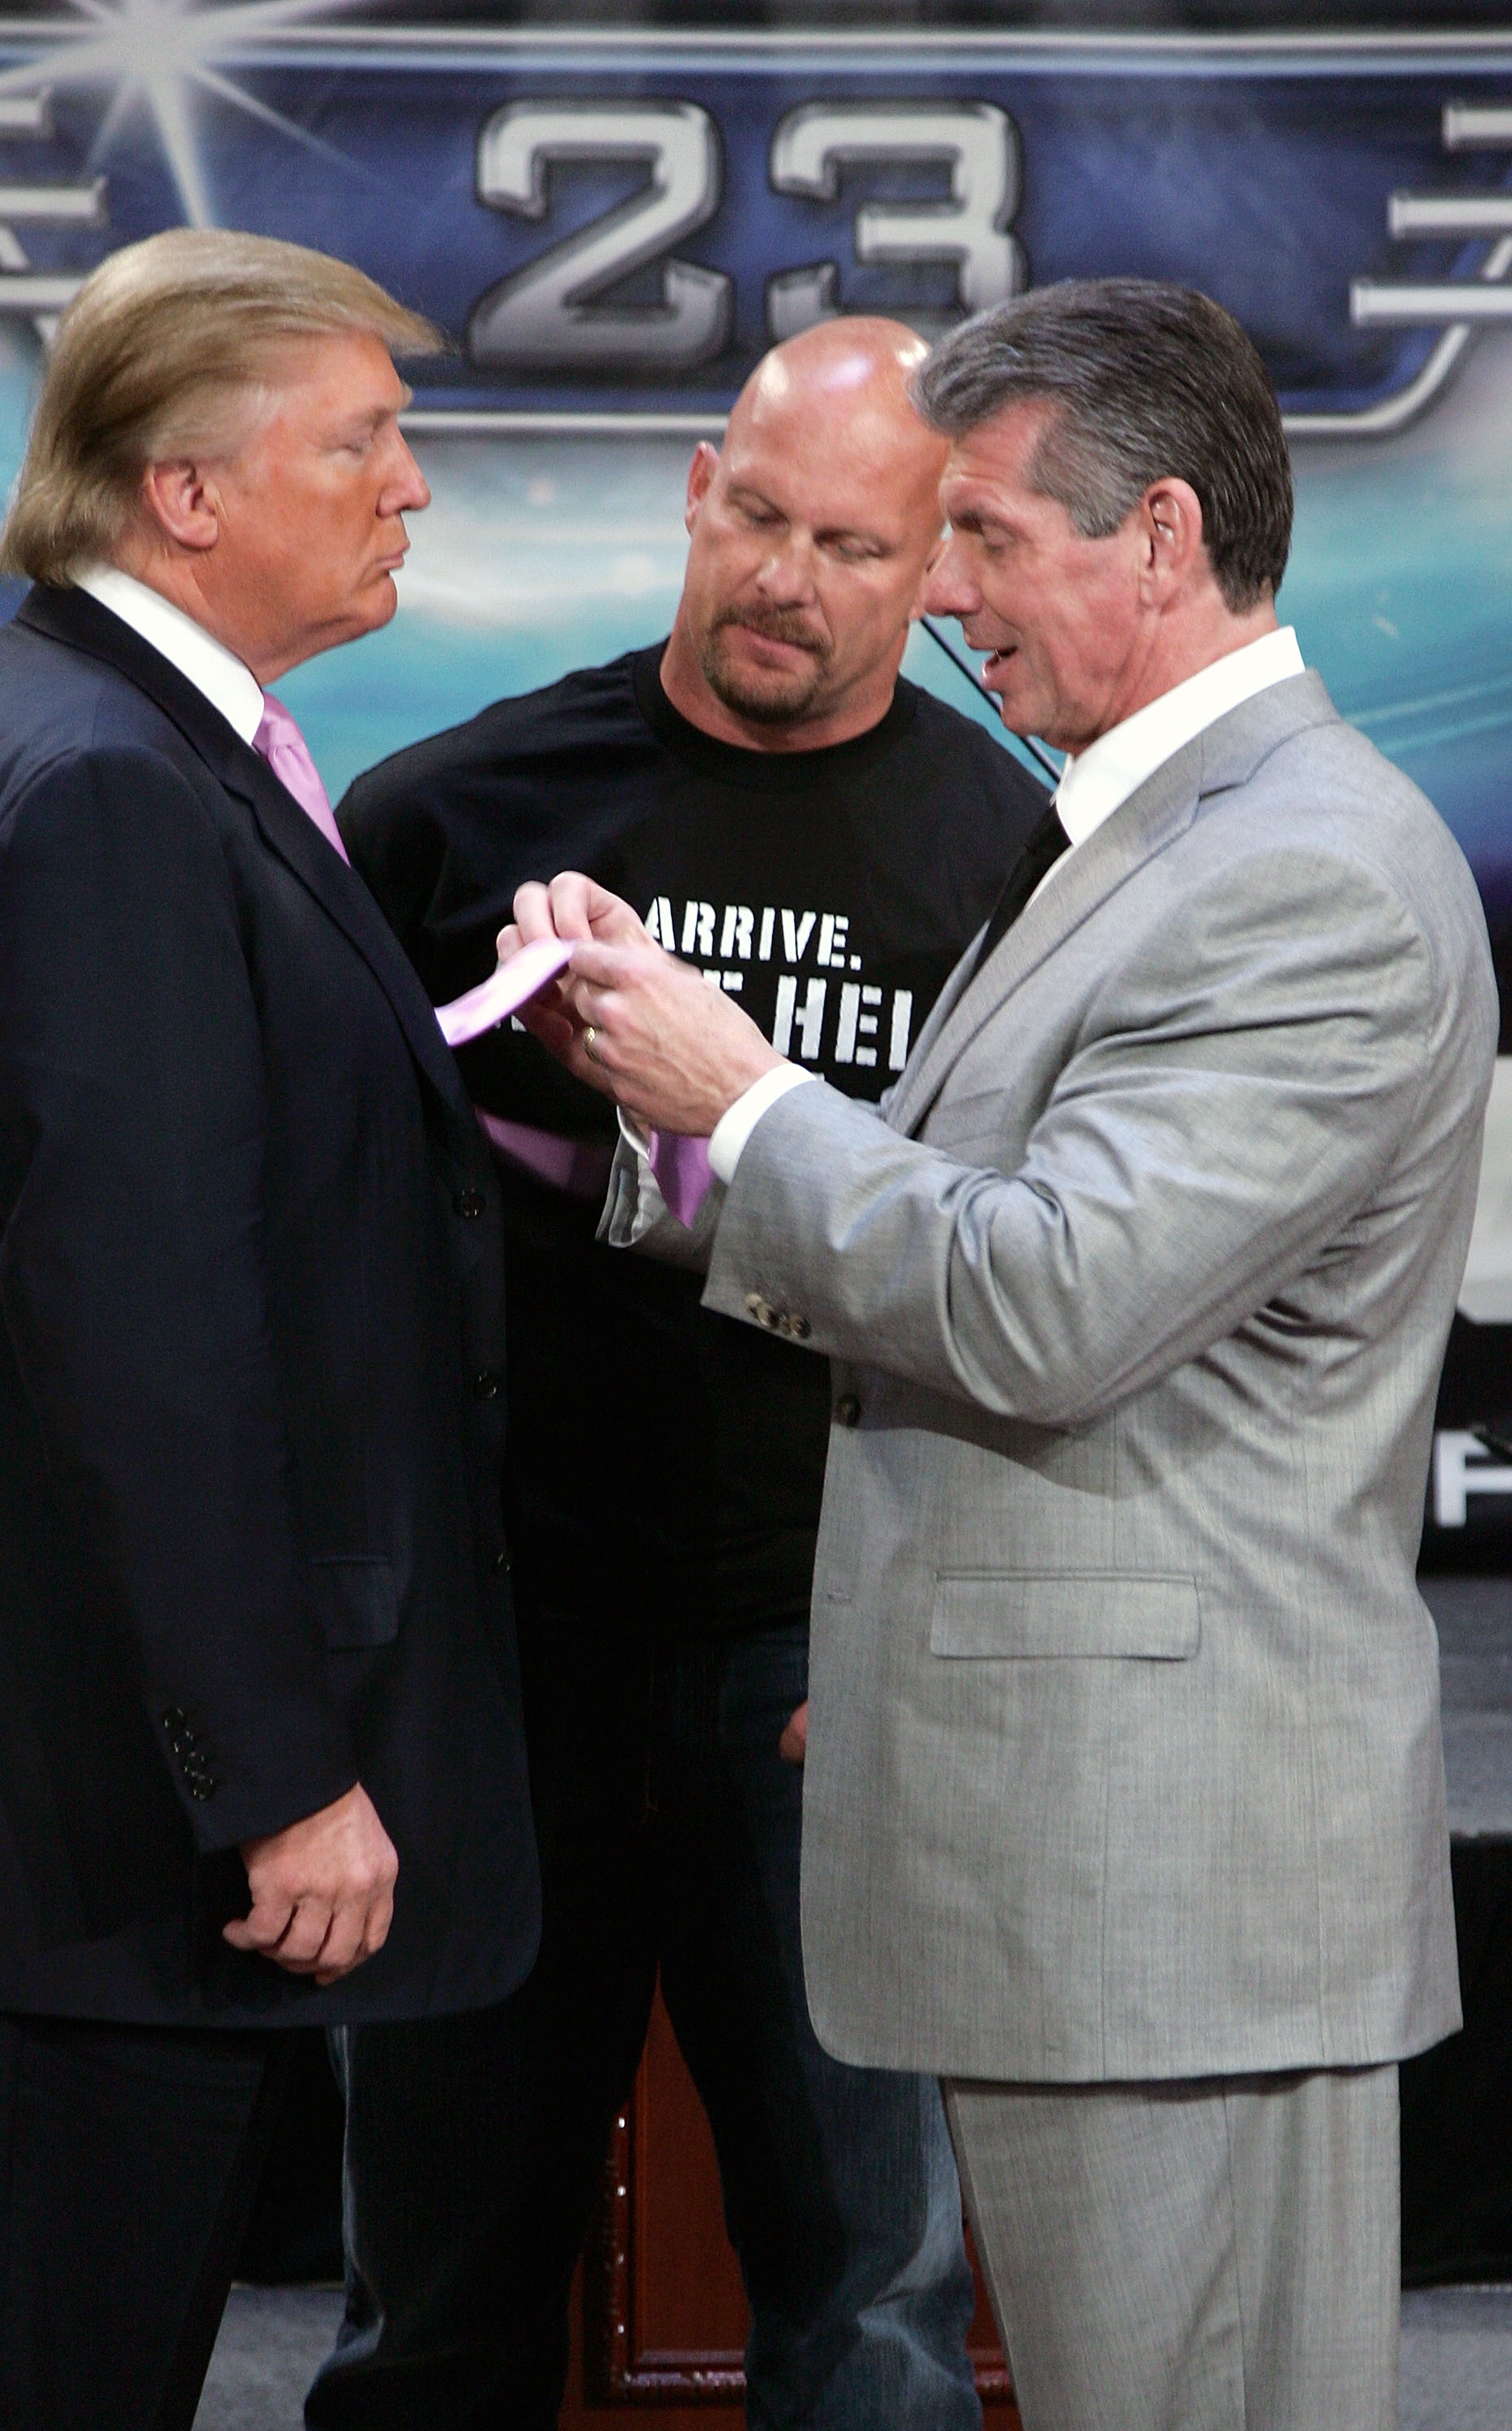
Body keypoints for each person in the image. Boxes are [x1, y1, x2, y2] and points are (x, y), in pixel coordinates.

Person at [511, 279, 1497, 2431]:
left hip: (1178, 1901)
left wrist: (739, 1094)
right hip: (1118, 1871)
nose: (935, 595)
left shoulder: (1298, 873)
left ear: (1157, 536)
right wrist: (680, 1108)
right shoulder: (1150, 833)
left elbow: (1044, 1298)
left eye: (980, 539)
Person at [317, 318, 1044, 2429]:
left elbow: (1017, 1286)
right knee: (438, 2295)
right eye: (756, 514)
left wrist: (913, 1632)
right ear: (694, 487)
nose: (785, 581)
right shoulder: (448, 815)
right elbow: (334, 1242)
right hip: (504, 1650)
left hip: (814, 1662)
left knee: (873, 2302)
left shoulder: (1015, 869)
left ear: (937, 568)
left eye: (849, 541)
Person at [0, 228, 539, 2431]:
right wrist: (276, 1780)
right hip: (72, 1841)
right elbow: (140, 1345)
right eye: (361, 442)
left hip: (61, 1816)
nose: (408, 488)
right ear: (184, 490)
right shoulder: (100, 783)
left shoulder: (124, 738)